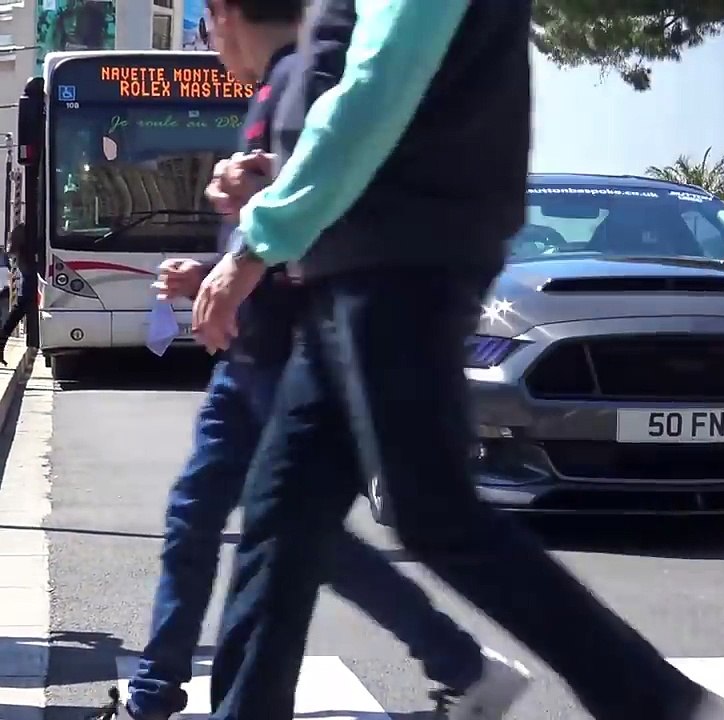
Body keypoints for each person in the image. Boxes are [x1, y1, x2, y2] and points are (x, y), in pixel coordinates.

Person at [192, 0, 715, 718]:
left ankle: (661, 704)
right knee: (281, 518)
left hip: (406, 253)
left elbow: (381, 84)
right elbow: (353, 84)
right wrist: (278, 189)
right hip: (351, 260)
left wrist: (262, 235)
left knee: (428, 510)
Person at [108, 2, 530, 719]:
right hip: (250, 354)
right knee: (198, 519)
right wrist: (213, 266)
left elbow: (327, 201)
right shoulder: (278, 83)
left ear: (222, 16)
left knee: (305, 537)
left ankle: (458, 658)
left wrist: (254, 209)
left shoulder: (316, 71)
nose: (213, 54)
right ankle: (154, 693)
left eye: (208, 31)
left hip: (284, 352)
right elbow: (282, 222)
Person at [0, 221, 36, 365]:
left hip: (27, 271)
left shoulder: (23, 229)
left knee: (22, 306)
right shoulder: (29, 231)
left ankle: (2, 339)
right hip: (29, 272)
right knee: (23, 304)